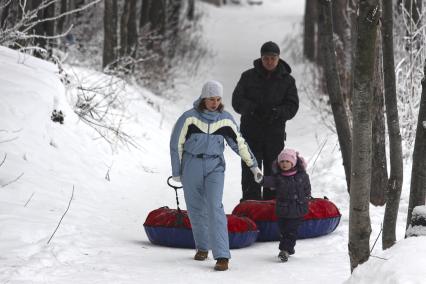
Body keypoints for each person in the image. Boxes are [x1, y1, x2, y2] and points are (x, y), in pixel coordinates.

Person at [170, 80, 262, 271]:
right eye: (211, 99)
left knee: (215, 207)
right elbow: (176, 144)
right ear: (204, 98)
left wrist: (253, 166)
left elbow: (239, 144)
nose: (215, 102)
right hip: (191, 164)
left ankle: (222, 255)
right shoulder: (188, 118)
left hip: (215, 166)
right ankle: (203, 247)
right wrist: (177, 172)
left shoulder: (225, 119)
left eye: (218, 99)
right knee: (195, 208)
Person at [232, 41, 299, 201]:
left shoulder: (288, 81)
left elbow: (292, 106)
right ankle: (250, 204)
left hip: (274, 134)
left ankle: (272, 205)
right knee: (251, 169)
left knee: (274, 170)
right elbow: (237, 101)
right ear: (261, 58)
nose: (269, 61)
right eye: (266, 58)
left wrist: (277, 112)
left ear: (278, 58)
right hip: (250, 133)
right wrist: (253, 109)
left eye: (273, 58)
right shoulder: (247, 77)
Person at [260, 148, 311, 262]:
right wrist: (261, 179)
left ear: (293, 162)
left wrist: (307, 198)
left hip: (297, 209)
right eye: (282, 162)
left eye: (287, 161)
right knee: (283, 231)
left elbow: (307, 188)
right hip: (283, 210)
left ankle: (285, 251)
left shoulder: (302, 176)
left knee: (291, 231)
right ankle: (288, 248)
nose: (284, 164)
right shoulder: (278, 177)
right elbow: (269, 181)